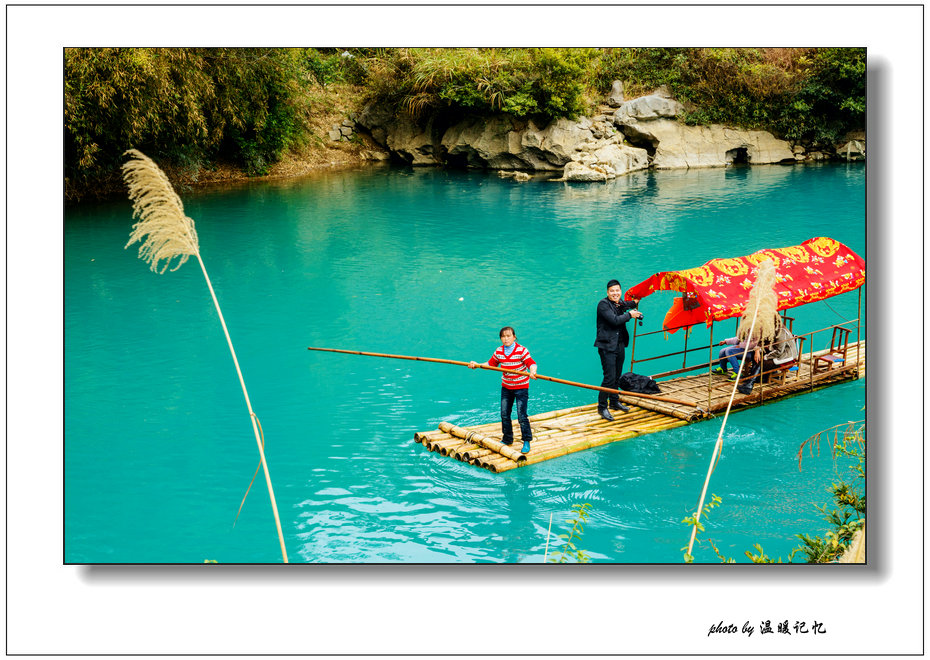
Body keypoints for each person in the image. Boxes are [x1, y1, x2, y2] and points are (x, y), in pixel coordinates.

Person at [469, 326, 537, 454]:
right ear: (500, 338)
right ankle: (507, 439)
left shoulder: (521, 350)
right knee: (504, 414)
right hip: (506, 387)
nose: (506, 339)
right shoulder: (499, 351)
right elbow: (490, 364)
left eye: (508, 336)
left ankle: (527, 440)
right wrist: (477, 365)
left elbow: (531, 363)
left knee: (522, 416)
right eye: (503, 336)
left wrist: (533, 372)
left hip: (521, 387)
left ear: (514, 337)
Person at [594, 279, 643, 421]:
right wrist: (630, 315)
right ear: (607, 292)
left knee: (617, 375)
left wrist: (636, 301)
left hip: (620, 344)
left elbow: (628, 304)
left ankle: (614, 402)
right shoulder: (603, 305)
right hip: (607, 346)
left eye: (617, 290)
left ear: (620, 291)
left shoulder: (619, 302)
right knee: (609, 378)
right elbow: (615, 320)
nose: (615, 293)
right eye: (612, 291)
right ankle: (602, 407)